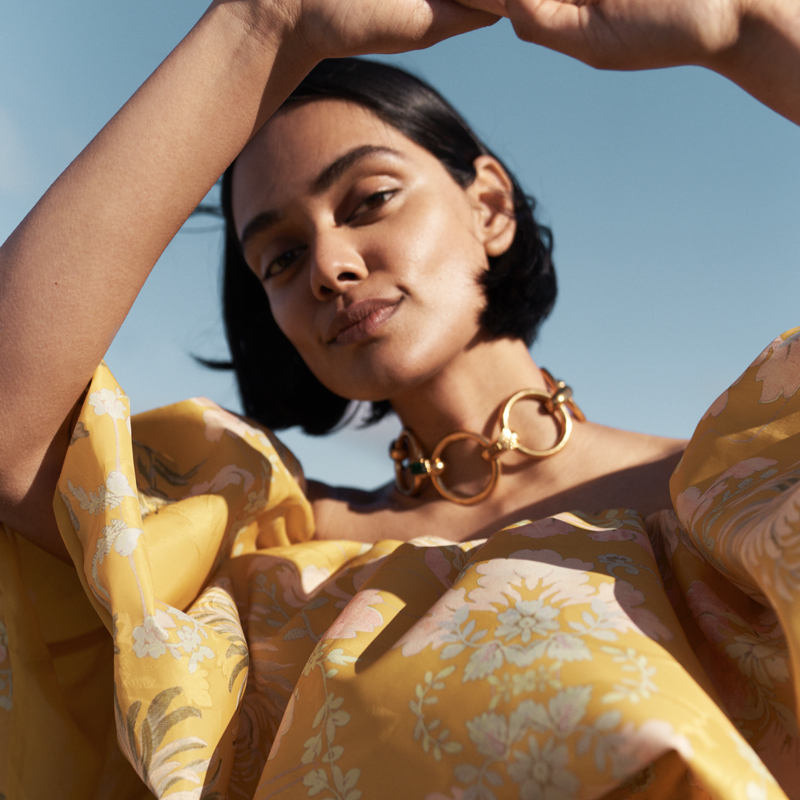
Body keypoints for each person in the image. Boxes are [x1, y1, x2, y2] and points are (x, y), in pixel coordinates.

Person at [0, 0, 798, 798]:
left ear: (489, 205)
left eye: (370, 198)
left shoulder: (744, 498)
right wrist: (260, 25)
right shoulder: (270, 562)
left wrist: (748, 26)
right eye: (280, 257)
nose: (330, 266)